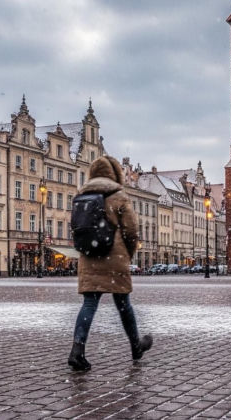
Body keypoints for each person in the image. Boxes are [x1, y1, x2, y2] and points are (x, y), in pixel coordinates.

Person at [68, 155, 152, 371]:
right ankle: (135, 346)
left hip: (88, 256)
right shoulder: (118, 195)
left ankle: (77, 351)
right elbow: (131, 231)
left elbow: (76, 227)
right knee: (124, 305)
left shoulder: (81, 195)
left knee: (89, 304)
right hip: (114, 258)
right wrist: (128, 254)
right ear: (114, 174)